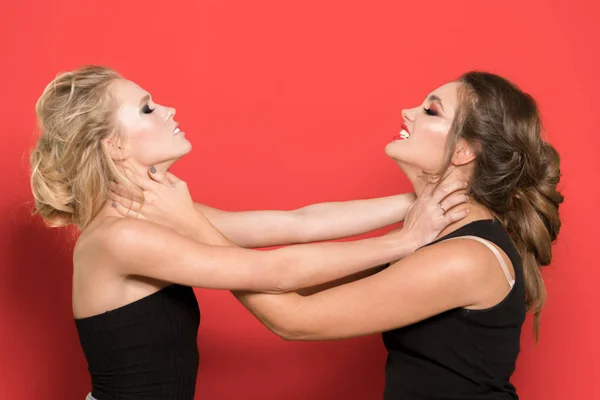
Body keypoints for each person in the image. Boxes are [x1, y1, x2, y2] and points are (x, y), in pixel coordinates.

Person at [29, 65, 469, 400]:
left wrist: (426, 201)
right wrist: (406, 240)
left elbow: (299, 222)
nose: (168, 109)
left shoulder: (154, 213)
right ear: (115, 145)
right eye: (147, 107)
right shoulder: (120, 238)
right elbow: (277, 271)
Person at [117, 71, 564, 399]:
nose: (408, 111)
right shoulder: (432, 232)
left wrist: (187, 223)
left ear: (465, 150)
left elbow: (294, 319)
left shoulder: (467, 257)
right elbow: (298, 274)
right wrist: (168, 210)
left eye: (430, 110)